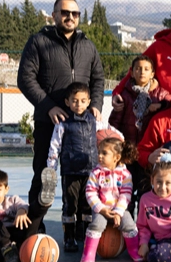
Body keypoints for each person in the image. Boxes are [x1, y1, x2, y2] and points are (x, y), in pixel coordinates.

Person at [17, 0, 104, 234]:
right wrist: (48, 107)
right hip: (50, 122)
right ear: (54, 15)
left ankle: (80, 228)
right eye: (64, 12)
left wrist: (95, 103)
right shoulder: (38, 42)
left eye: (74, 13)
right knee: (45, 176)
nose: (70, 17)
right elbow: (25, 79)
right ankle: (33, 229)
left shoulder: (88, 44)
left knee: (83, 179)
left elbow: (98, 77)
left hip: (83, 128)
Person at [46, 82, 122, 252]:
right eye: (74, 101)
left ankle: (85, 234)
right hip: (70, 171)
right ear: (67, 102)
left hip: (92, 172)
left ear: (89, 102)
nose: (78, 104)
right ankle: (69, 238)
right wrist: (51, 168)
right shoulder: (63, 123)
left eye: (82, 101)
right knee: (70, 205)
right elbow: (54, 146)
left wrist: (121, 139)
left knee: (88, 205)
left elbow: (112, 132)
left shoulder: (95, 121)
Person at [0, 169, 55, 262]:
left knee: (31, 212)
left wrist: (21, 211)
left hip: (22, 244)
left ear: (6, 189)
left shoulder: (13, 200)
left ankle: (43, 203)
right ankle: (7, 249)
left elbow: (22, 205)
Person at [80, 138, 141, 262]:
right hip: (101, 209)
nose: (100, 156)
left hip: (119, 209)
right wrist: (101, 209)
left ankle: (134, 251)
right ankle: (89, 253)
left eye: (104, 153)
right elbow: (90, 193)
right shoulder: (96, 173)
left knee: (129, 224)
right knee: (97, 224)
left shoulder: (125, 175)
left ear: (116, 157)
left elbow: (126, 195)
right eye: (99, 152)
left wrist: (118, 212)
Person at [108, 55, 171, 145]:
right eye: (138, 68)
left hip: (150, 145)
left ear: (152, 74)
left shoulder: (160, 94)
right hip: (127, 144)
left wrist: (161, 105)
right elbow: (114, 122)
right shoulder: (124, 95)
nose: (142, 72)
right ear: (132, 73)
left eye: (146, 69)